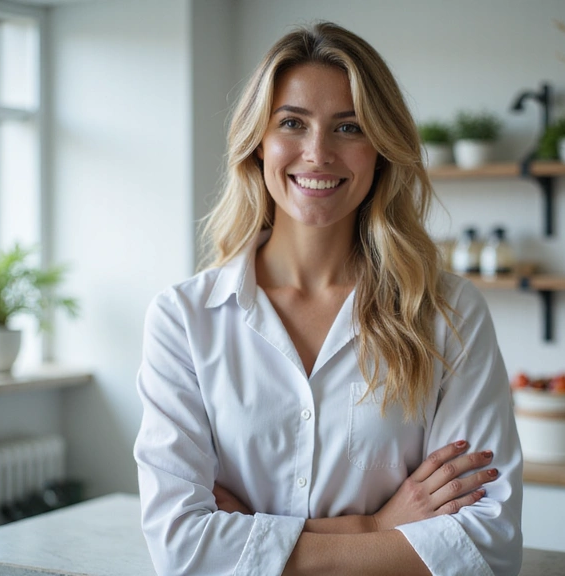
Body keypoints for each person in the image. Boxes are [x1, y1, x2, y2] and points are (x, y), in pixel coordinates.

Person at [134, 21, 522, 576]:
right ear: (257, 142)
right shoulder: (184, 319)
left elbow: (486, 544)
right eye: (292, 122)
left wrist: (255, 541)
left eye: (349, 127)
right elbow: (183, 548)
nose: (317, 154)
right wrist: (376, 528)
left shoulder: (447, 312)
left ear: (382, 150)